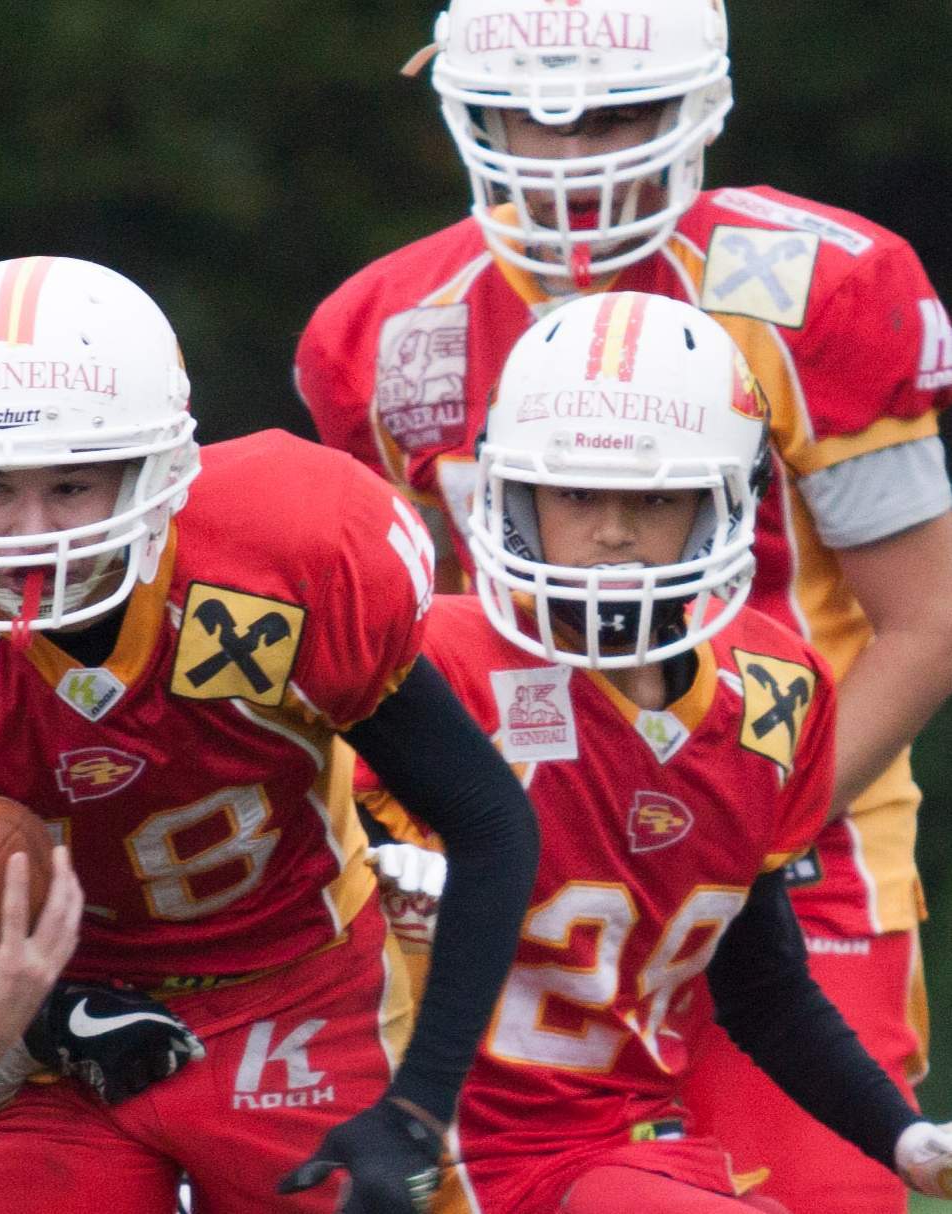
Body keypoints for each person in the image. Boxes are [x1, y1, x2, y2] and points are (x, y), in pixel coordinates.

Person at [0, 254, 540, 1214]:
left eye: (72, 486)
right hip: (59, 1049)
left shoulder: (278, 562)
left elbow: (488, 819)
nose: (31, 532)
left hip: (295, 991)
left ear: (158, 471)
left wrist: (417, 1108)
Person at [293, 2, 952, 1207]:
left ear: (697, 105)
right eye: (530, 120)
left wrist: (734, 826)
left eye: (615, 112)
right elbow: (391, 649)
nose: (569, 157)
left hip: (789, 838)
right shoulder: (387, 328)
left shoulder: (816, 289)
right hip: (515, 841)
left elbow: (928, 618)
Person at [353, 291, 952, 1213]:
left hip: (598, 1149)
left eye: (656, 497)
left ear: (724, 506)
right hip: (397, 1134)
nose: (611, 533)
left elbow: (761, 989)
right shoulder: (434, 661)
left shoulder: (772, 688)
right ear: (514, 494)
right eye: (574, 492)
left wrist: (901, 1137)